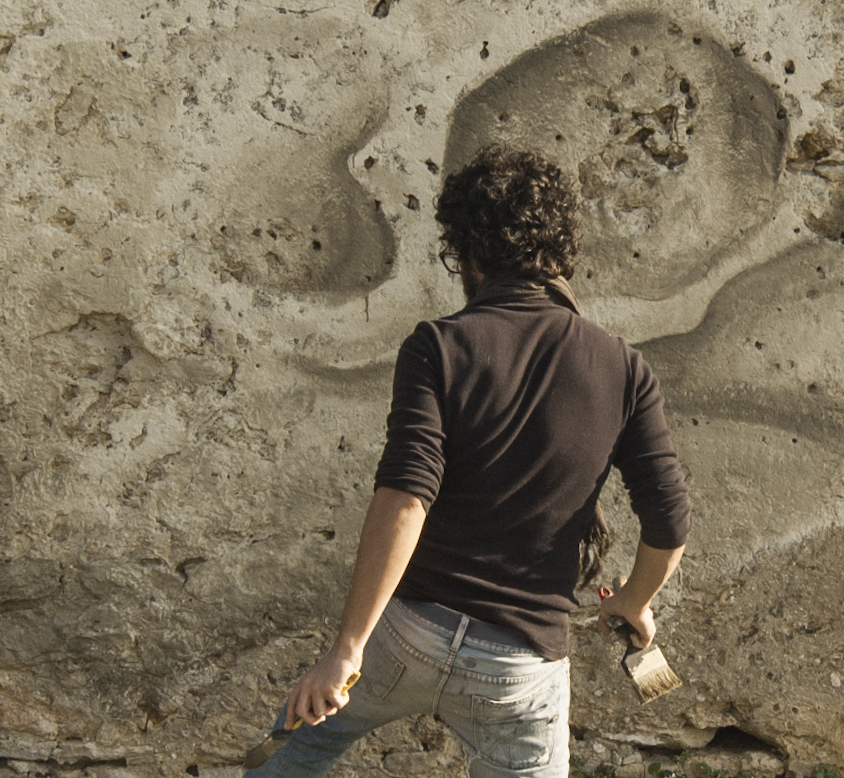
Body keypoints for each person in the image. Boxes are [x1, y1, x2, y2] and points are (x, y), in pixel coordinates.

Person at [247, 143, 691, 778]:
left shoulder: (439, 346)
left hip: (407, 638)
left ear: (470, 251)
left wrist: (346, 650)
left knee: (293, 753)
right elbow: (669, 519)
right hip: (520, 668)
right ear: (559, 251)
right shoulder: (625, 370)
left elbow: (407, 497)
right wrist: (633, 600)